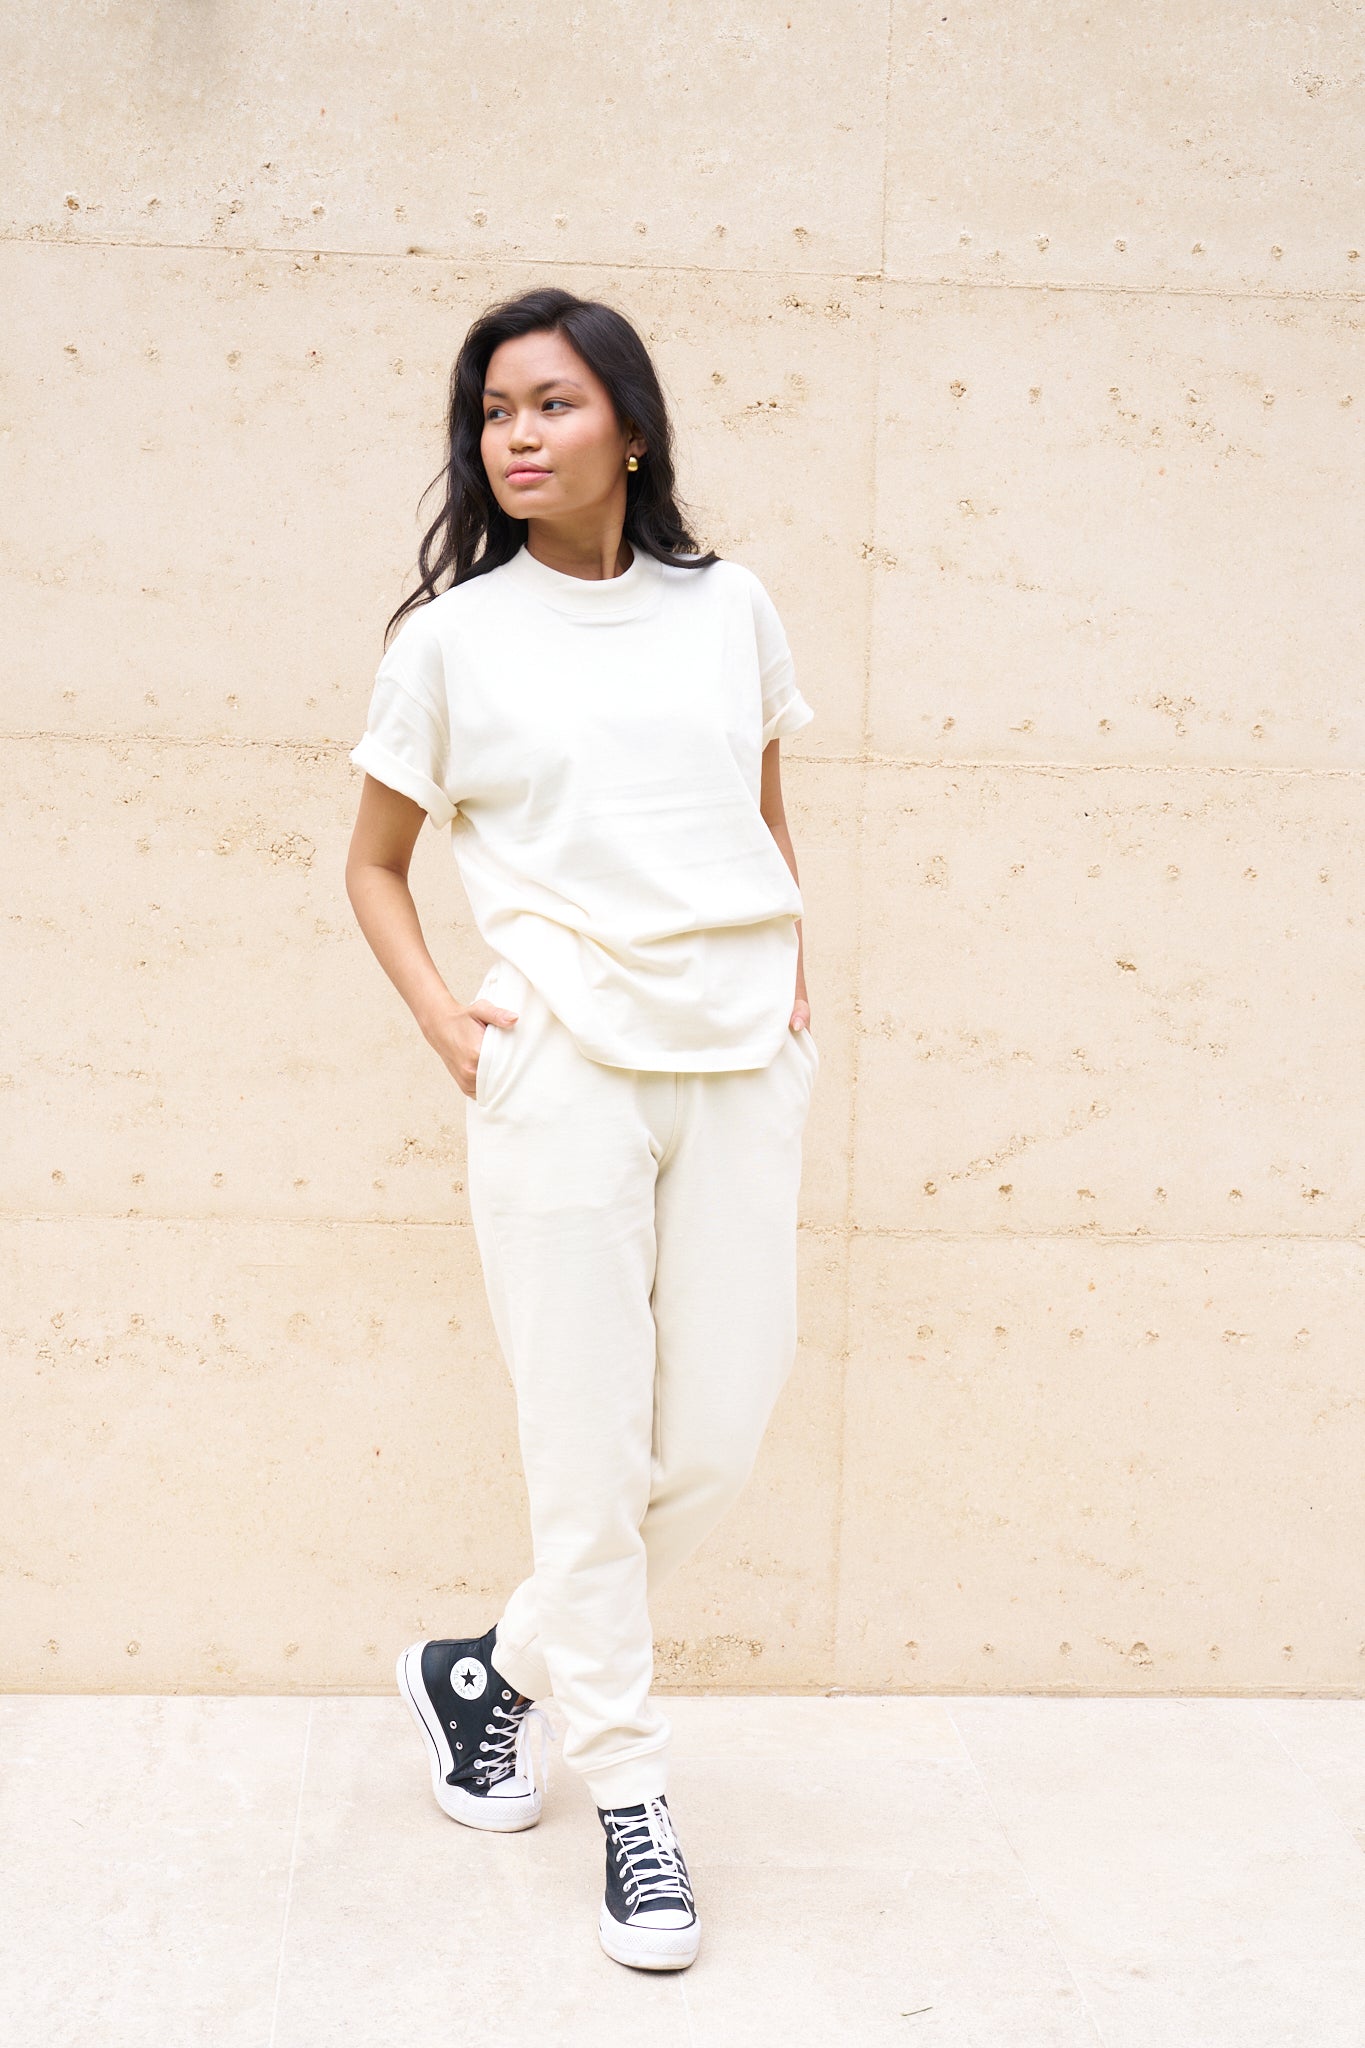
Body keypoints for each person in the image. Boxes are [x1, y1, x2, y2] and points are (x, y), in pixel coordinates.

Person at [344, 284, 819, 1974]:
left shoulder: (729, 607)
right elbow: (375, 865)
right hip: (558, 1068)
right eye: (492, 413)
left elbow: (756, 813)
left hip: (734, 1055)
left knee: (713, 1437)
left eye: (549, 403)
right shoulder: (453, 639)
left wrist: (791, 978)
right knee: (584, 1452)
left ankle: (490, 1669)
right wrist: (440, 1017)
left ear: (627, 420)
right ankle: (628, 1799)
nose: (517, 436)